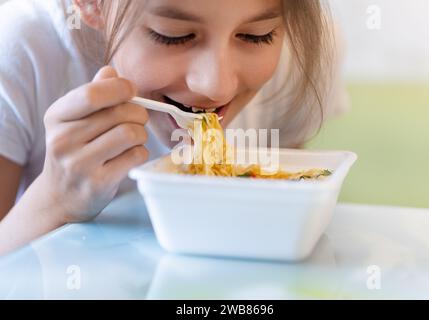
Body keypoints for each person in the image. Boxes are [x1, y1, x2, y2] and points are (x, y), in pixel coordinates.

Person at [0, 0, 348, 255]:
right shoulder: (22, 52)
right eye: (174, 36)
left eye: (256, 36)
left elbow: (285, 223)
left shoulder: (299, 56)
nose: (217, 86)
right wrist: (55, 198)